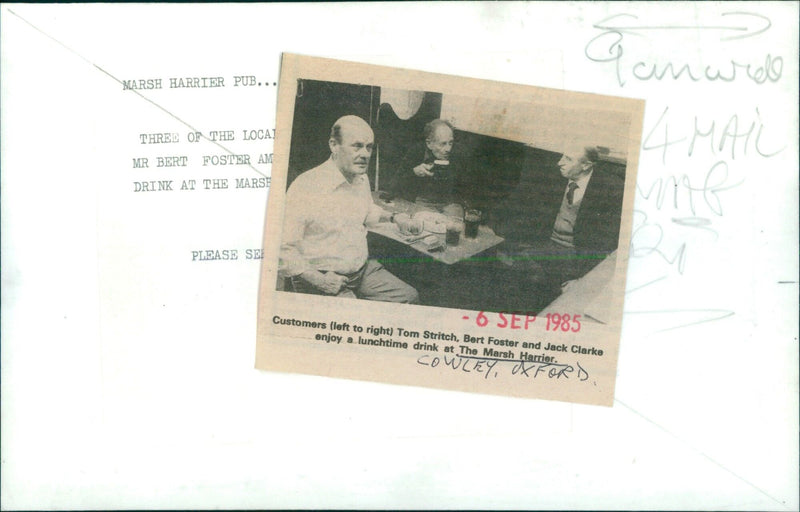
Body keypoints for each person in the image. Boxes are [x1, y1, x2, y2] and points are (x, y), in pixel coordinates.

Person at [278, 115, 419, 303]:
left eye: (369, 147)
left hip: (361, 271)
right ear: (334, 145)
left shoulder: (361, 178)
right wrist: (320, 280)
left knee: (409, 298)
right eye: (357, 146)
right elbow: (282, 249)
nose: (366, 154)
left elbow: (368, 212)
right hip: (323, 275)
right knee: (354, 320)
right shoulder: (305, 186)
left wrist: (395, 218)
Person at [487, 144, 624, 310]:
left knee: (529, 277)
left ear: (586, 165)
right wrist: (489, 221)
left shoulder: (610, 189)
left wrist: (583, 279)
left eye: (568, 159)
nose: (559, 162)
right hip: (546, 245)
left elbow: (607, 243)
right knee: (516, 272)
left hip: (578, 256)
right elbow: (518, 200)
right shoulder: (554, 176)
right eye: (562, 156)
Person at [391, 119, 472, 209]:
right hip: (422, 202)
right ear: (429, 143)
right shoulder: (416, 152)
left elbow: (467, 188)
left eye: (450, 143)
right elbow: (394, 185)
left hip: (450, 204)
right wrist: (414, 172)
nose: (448, 149)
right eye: (443, 144)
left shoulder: (458, 153)